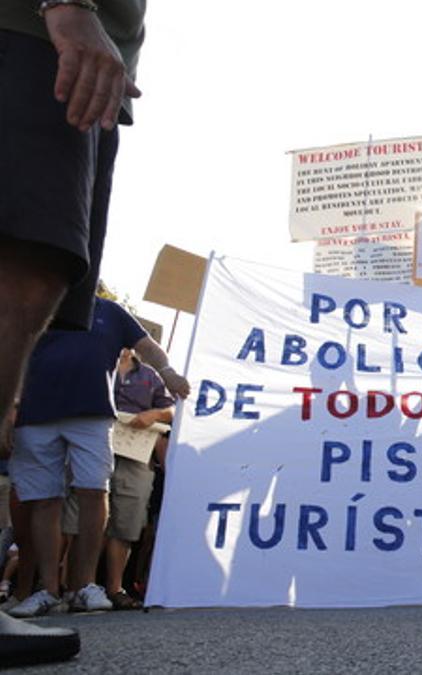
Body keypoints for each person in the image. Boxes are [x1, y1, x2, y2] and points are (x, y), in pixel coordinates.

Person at [0, 0, 147, 665]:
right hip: (39, 38)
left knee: (35, 271)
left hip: (65, 49)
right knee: (25, 263)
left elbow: (152, 352)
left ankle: (80, 584)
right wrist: (71, 5)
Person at [7, 297, 188, 618]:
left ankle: (85, 586)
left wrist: (167, 372)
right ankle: (48, 590)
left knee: (94, 491)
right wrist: (10, 404)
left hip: (92, 415)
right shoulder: (37, 297)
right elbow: (12, 348)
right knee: (45, 498)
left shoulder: (110, 311)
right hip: (36, 413)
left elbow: (149, 347)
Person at [102, 348, 174, 609]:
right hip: (95, 443)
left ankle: (115, 589)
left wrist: (153, 414)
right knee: (80, 519)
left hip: (136, 452)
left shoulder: (150, 375)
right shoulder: (96, 363)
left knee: (127, 522)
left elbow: (171, 410)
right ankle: (73, 587)